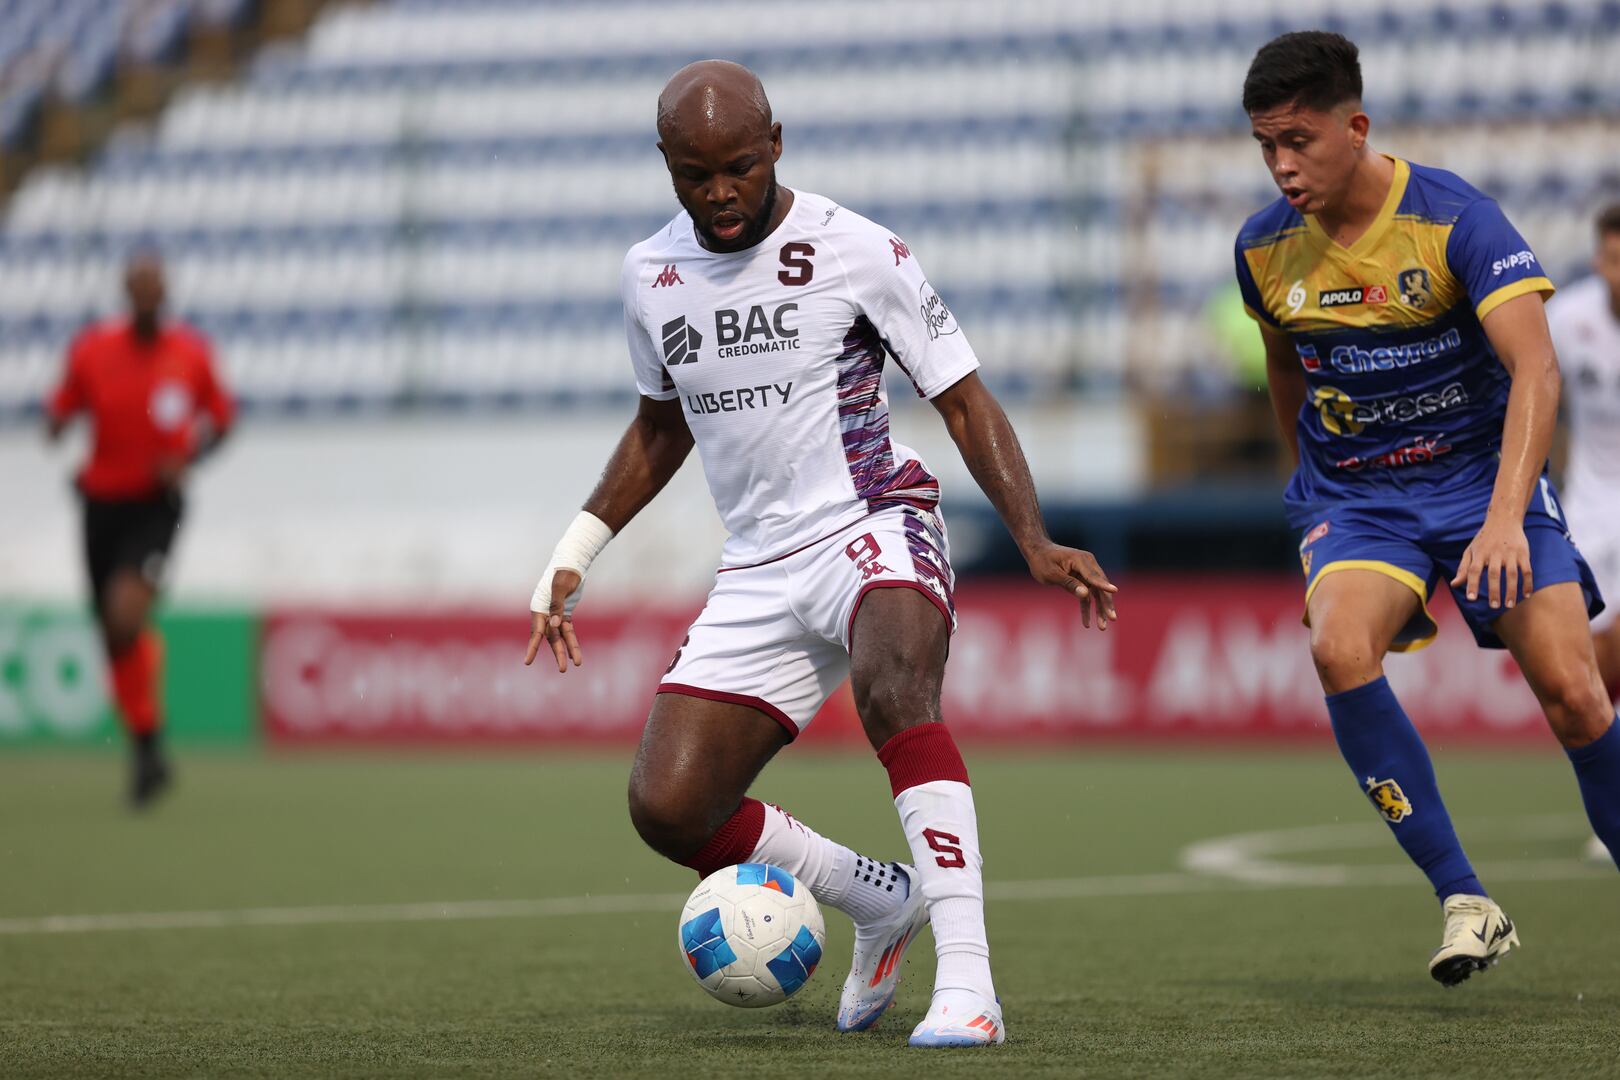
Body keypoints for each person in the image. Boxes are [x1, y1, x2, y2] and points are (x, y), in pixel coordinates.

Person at [525, 60, 1116, 1046]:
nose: (720, 193)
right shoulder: (650, 275)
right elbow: (658, 427)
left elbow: (961, 395)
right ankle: (879, 900)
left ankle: (968, 984)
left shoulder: (855, 249)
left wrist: (1033, 536)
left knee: (894, 691)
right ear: (666, 166)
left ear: (778, 143)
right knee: (670, 805)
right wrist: (573, 551)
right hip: (758, 565)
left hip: (873, 521)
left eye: (740, 168)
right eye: (695, 174)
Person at [1234, 31, 1619, 987]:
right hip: (1362, 502)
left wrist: (1502, 518)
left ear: (1354, 128)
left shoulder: (1457, 221)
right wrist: (1306, 483)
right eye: (1264, 146)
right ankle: (1465, 898)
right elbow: (1285, 358)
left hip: (1485, 486)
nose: (1282, 165)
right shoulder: (1261, 250)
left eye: (1298, 140)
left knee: (1575, 694)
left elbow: (1536, 366)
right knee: (1336, 648)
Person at [46, 252, 234, 808]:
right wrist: (55, 426)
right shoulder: (93, 351)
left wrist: (190, 456)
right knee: (112, 629)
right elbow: (61, 409)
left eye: (157, 289)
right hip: (100, 505)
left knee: (124, 611)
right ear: (128, 295)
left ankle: (148, 744)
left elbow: (221, 421)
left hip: (156, 505)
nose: (149, 297)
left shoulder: (191, 355)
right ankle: (148, 748)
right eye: (140, 289)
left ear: (167, 294)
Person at [1547, 204, 1620, 863]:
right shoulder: (1570, 318)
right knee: (1593, 674)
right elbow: (1530, 389)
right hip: (1592, 509)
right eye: (1609, 259)